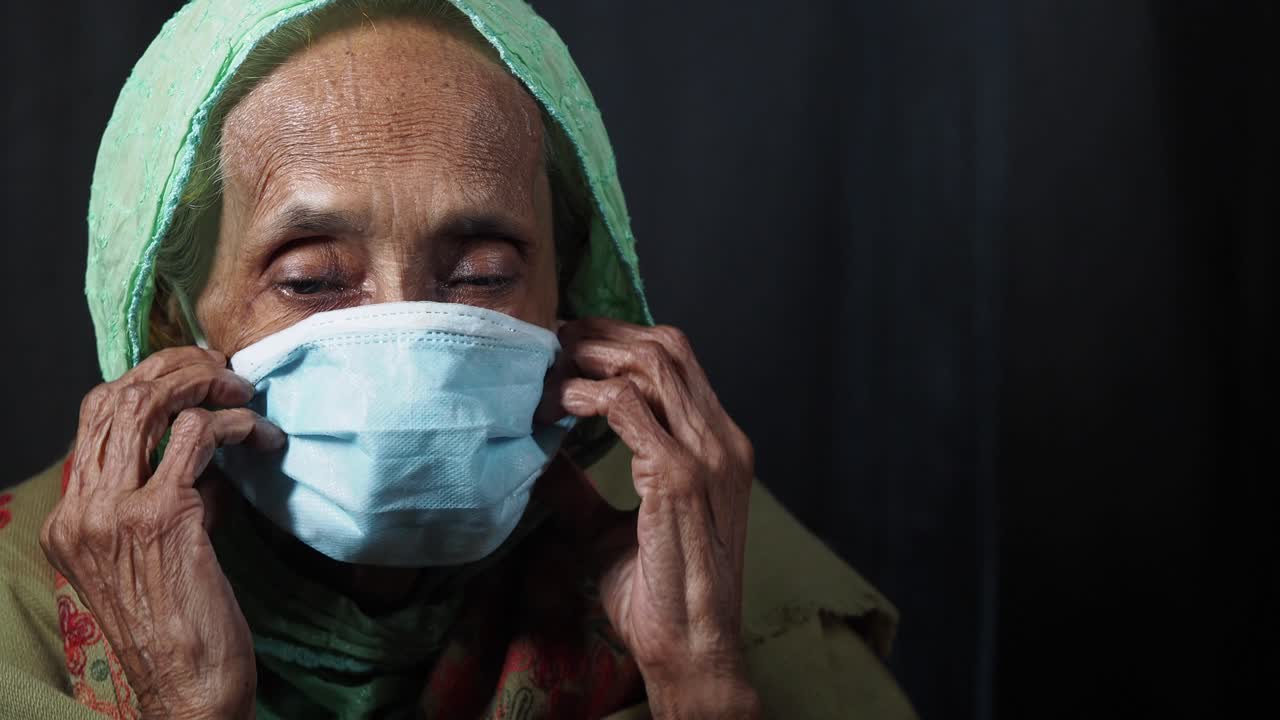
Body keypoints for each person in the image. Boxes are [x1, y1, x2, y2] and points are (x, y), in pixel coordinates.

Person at [0, 1, 916, 717]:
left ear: (573, 300)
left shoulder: (702, 548)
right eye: (314, 280)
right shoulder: (18, 615)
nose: (410, 347)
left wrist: (703, 679)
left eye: (482, 273)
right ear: (173, 325)